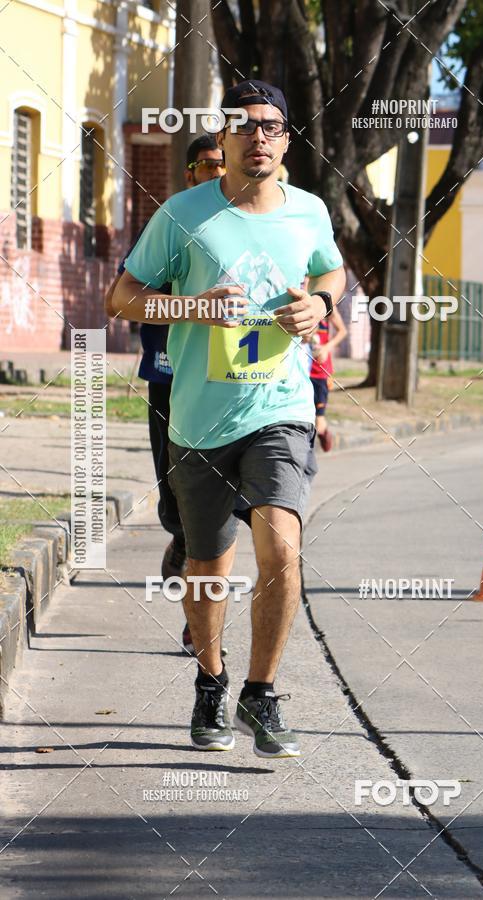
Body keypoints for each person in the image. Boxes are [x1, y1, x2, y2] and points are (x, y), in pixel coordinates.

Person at [111, 80, 346, 758]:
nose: (259, 136)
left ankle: (262, 692)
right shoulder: (183, 215)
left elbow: (331, 274)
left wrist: (321, 306)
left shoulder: (308, 211)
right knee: (209, 567)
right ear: (224, 139)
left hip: (282, 410)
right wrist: (191, 308)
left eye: (271, 125)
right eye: (245, 126)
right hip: (200, 418)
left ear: (286, 138)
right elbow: (122, 299)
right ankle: (212, 681)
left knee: (282, 550)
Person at [105, 136, 226, 654]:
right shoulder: (171, 223)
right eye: (206, 165)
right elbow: (125, 296)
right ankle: (180, 536)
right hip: (171, 378)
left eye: (222, 163)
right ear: (189, 172)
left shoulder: (255, 225)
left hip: (232, 382)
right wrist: (189, 307)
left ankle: (197, 624)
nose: (216, 171)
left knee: (227, 509)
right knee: (178, 496)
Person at [308, 306, 347, 451]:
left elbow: (342, 331)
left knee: (319, 418)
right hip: (302, 369)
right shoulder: (301, 300)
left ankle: (323, 434)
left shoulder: (327, 304)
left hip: (320, 371)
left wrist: (326, 348)